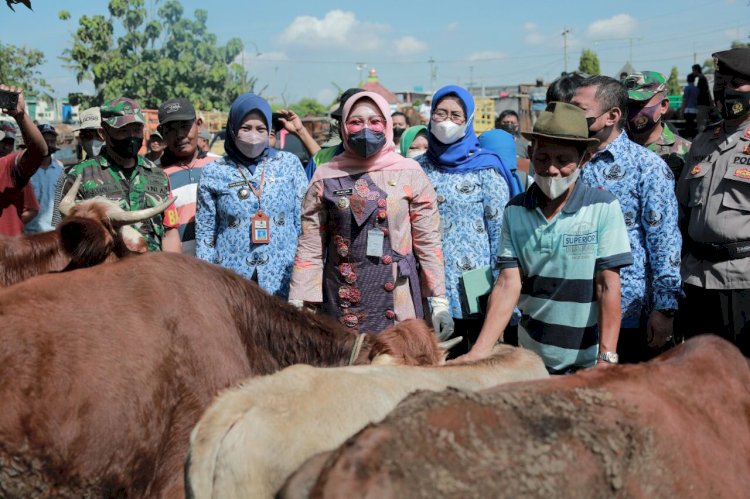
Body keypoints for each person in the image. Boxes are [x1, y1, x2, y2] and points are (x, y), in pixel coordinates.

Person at [454, 102, 632, 373]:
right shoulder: (515, 211)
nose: (551, 170)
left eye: (563, 161)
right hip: (531, 360)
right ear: (531, 152)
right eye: (542, 158)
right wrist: (479, 351)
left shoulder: (602, 207)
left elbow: (607, 286)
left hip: (587, 361)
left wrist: (606, 359)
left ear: (584, 159)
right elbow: (507, 284)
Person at [289, 91, 452, 337]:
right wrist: (299, 300)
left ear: (386, 125)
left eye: (375, 122)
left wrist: (439, 301)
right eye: (356, 122)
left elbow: (428, 241)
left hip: (398, 299)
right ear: (344, 127)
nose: (366, 129)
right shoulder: (326, 176)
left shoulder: (410, 173)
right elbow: (310, 245)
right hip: (344, 302)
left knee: (397, 365)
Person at [571, 76, 682, 363]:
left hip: (628, 312)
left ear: (612, 116)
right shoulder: (568, 162)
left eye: (580, 112)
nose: (571, 119)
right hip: (571, 308)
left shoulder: (646, 168)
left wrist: (664, 309)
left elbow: (664, 241)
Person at [417, 85, 518, 353]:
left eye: (455, 115)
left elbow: (501, 235)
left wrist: (504, 295)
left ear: (468, 121)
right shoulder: (416, 168)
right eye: (440, 113)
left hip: (476, 293)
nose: (446, 121)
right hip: (429, 290)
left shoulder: (486, 168)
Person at [195, 93, 307, 298]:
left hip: (283, 277)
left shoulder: (289, 164)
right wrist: (206, 283)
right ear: (232, 129)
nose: (253, 135)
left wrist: (305, 277)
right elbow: (205, 235)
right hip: (231, 280)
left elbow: (304, 224)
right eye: (246, 128)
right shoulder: (214, 171)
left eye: (260, 129)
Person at [676, 47, 750, 356]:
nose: (725, 90)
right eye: (720, 81)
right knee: (699, 375)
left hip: (742, 282)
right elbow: (682, 208)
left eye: (736, 83)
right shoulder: (705, 140)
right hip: (696, 279)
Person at [56, 97, 180, 252]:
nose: (132, 137)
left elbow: (170, 233)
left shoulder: (158, 175)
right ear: (103, 133)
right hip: (107, 272)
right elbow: (69, 237)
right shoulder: (81, 175)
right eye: (123, 131)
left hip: (153, 271)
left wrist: (172, 273)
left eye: (136, 130)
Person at [157, 98, 215, 255]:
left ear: (198, 125)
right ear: (161, 133)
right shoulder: (155, 176)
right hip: (181, 270)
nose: (180, 135)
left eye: (185, 126)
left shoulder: (219, 166)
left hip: (219, 269)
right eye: (171, 129)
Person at [623, 71, 692, 182]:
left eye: (641, 103)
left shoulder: (686, 152)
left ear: (663, 106)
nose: (633, 111)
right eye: (628, 103)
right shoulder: (612, 148)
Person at [0, 84, 46, 236]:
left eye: (8, 143)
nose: (4, 147)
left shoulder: (6, 167)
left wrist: (20, 116)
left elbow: (37, 153)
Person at [305, 88, 365, 180]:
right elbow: (306, 192)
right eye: (354, 122)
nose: (361, 128)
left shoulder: (390, 162)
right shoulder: (320, 159)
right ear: (339, 123)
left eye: (373, 121)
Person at [25, 124, 64, 233]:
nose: (49, 144)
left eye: (52, 141)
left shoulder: (59, 168)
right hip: (30, 233)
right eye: (45, 141)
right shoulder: (26, 169)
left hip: (55, 232)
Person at [692, 63, 714, 132]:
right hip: (705, 103)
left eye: (693, 70)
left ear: (696, 70)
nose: (693, 72)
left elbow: (704, 92)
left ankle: (701, 137)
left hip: (702, 104)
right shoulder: (702, 78)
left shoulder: (701, 79)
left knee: (701, 123)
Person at [680, 73, 699, 139]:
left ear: (687, 80)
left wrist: (682, 111)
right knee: (693, 126)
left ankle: (688, 139)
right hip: (695, 110)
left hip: (688, 110)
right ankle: (693, 138)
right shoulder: (697, 89)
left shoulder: (687, 88)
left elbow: (685, 100)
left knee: (688, 126)